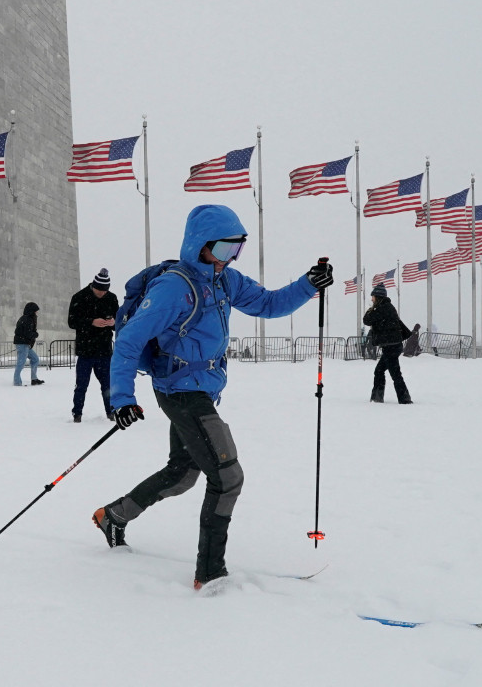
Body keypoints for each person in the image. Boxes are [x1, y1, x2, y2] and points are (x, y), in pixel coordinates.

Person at [91, 204, 332, 590]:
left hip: (201, 389)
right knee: (227, 477)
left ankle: (114, 516)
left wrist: (308, 284)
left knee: (182, 474)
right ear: (199, 245)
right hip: (181, 392)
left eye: (236, 249)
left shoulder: (225, 281)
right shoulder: (174, 288)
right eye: (223, 249)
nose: (229, 258)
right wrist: (122, 398)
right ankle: (210, 574)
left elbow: (269, 304)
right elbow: (130, 340)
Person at [67, 268, 117, 421]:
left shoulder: (112, 298)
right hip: (85, 351)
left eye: (105, 291)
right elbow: (72, 322)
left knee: (108, 385)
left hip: (104, 350)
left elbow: (120, 322)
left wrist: (114, 323)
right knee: (81, 385)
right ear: (93, 286)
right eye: (99, 290)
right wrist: (91, 322)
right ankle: (77, 413)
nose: (102, 293)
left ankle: (111, 412)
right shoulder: (79, 297)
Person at [364, 284, 412, 404]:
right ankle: (378, 397)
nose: (371, 299)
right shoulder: (388, 307)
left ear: (378, 297)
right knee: (380, 371)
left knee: (395, 374)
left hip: (391, 347)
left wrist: (370, 310)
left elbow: (367, 320)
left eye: (373, 296)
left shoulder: (382, 308)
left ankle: (404, 399)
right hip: (393, 346)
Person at [12, 302, 43, 386]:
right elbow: (27, 333)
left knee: (35, 359)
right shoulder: (27, 319)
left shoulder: (26, 318)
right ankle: (17, 382)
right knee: (21, 363)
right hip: (23, 344)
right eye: (36, 311)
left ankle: (34, 379)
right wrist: (35, 334)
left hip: (25, 344)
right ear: (32, 311)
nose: (37, 313)